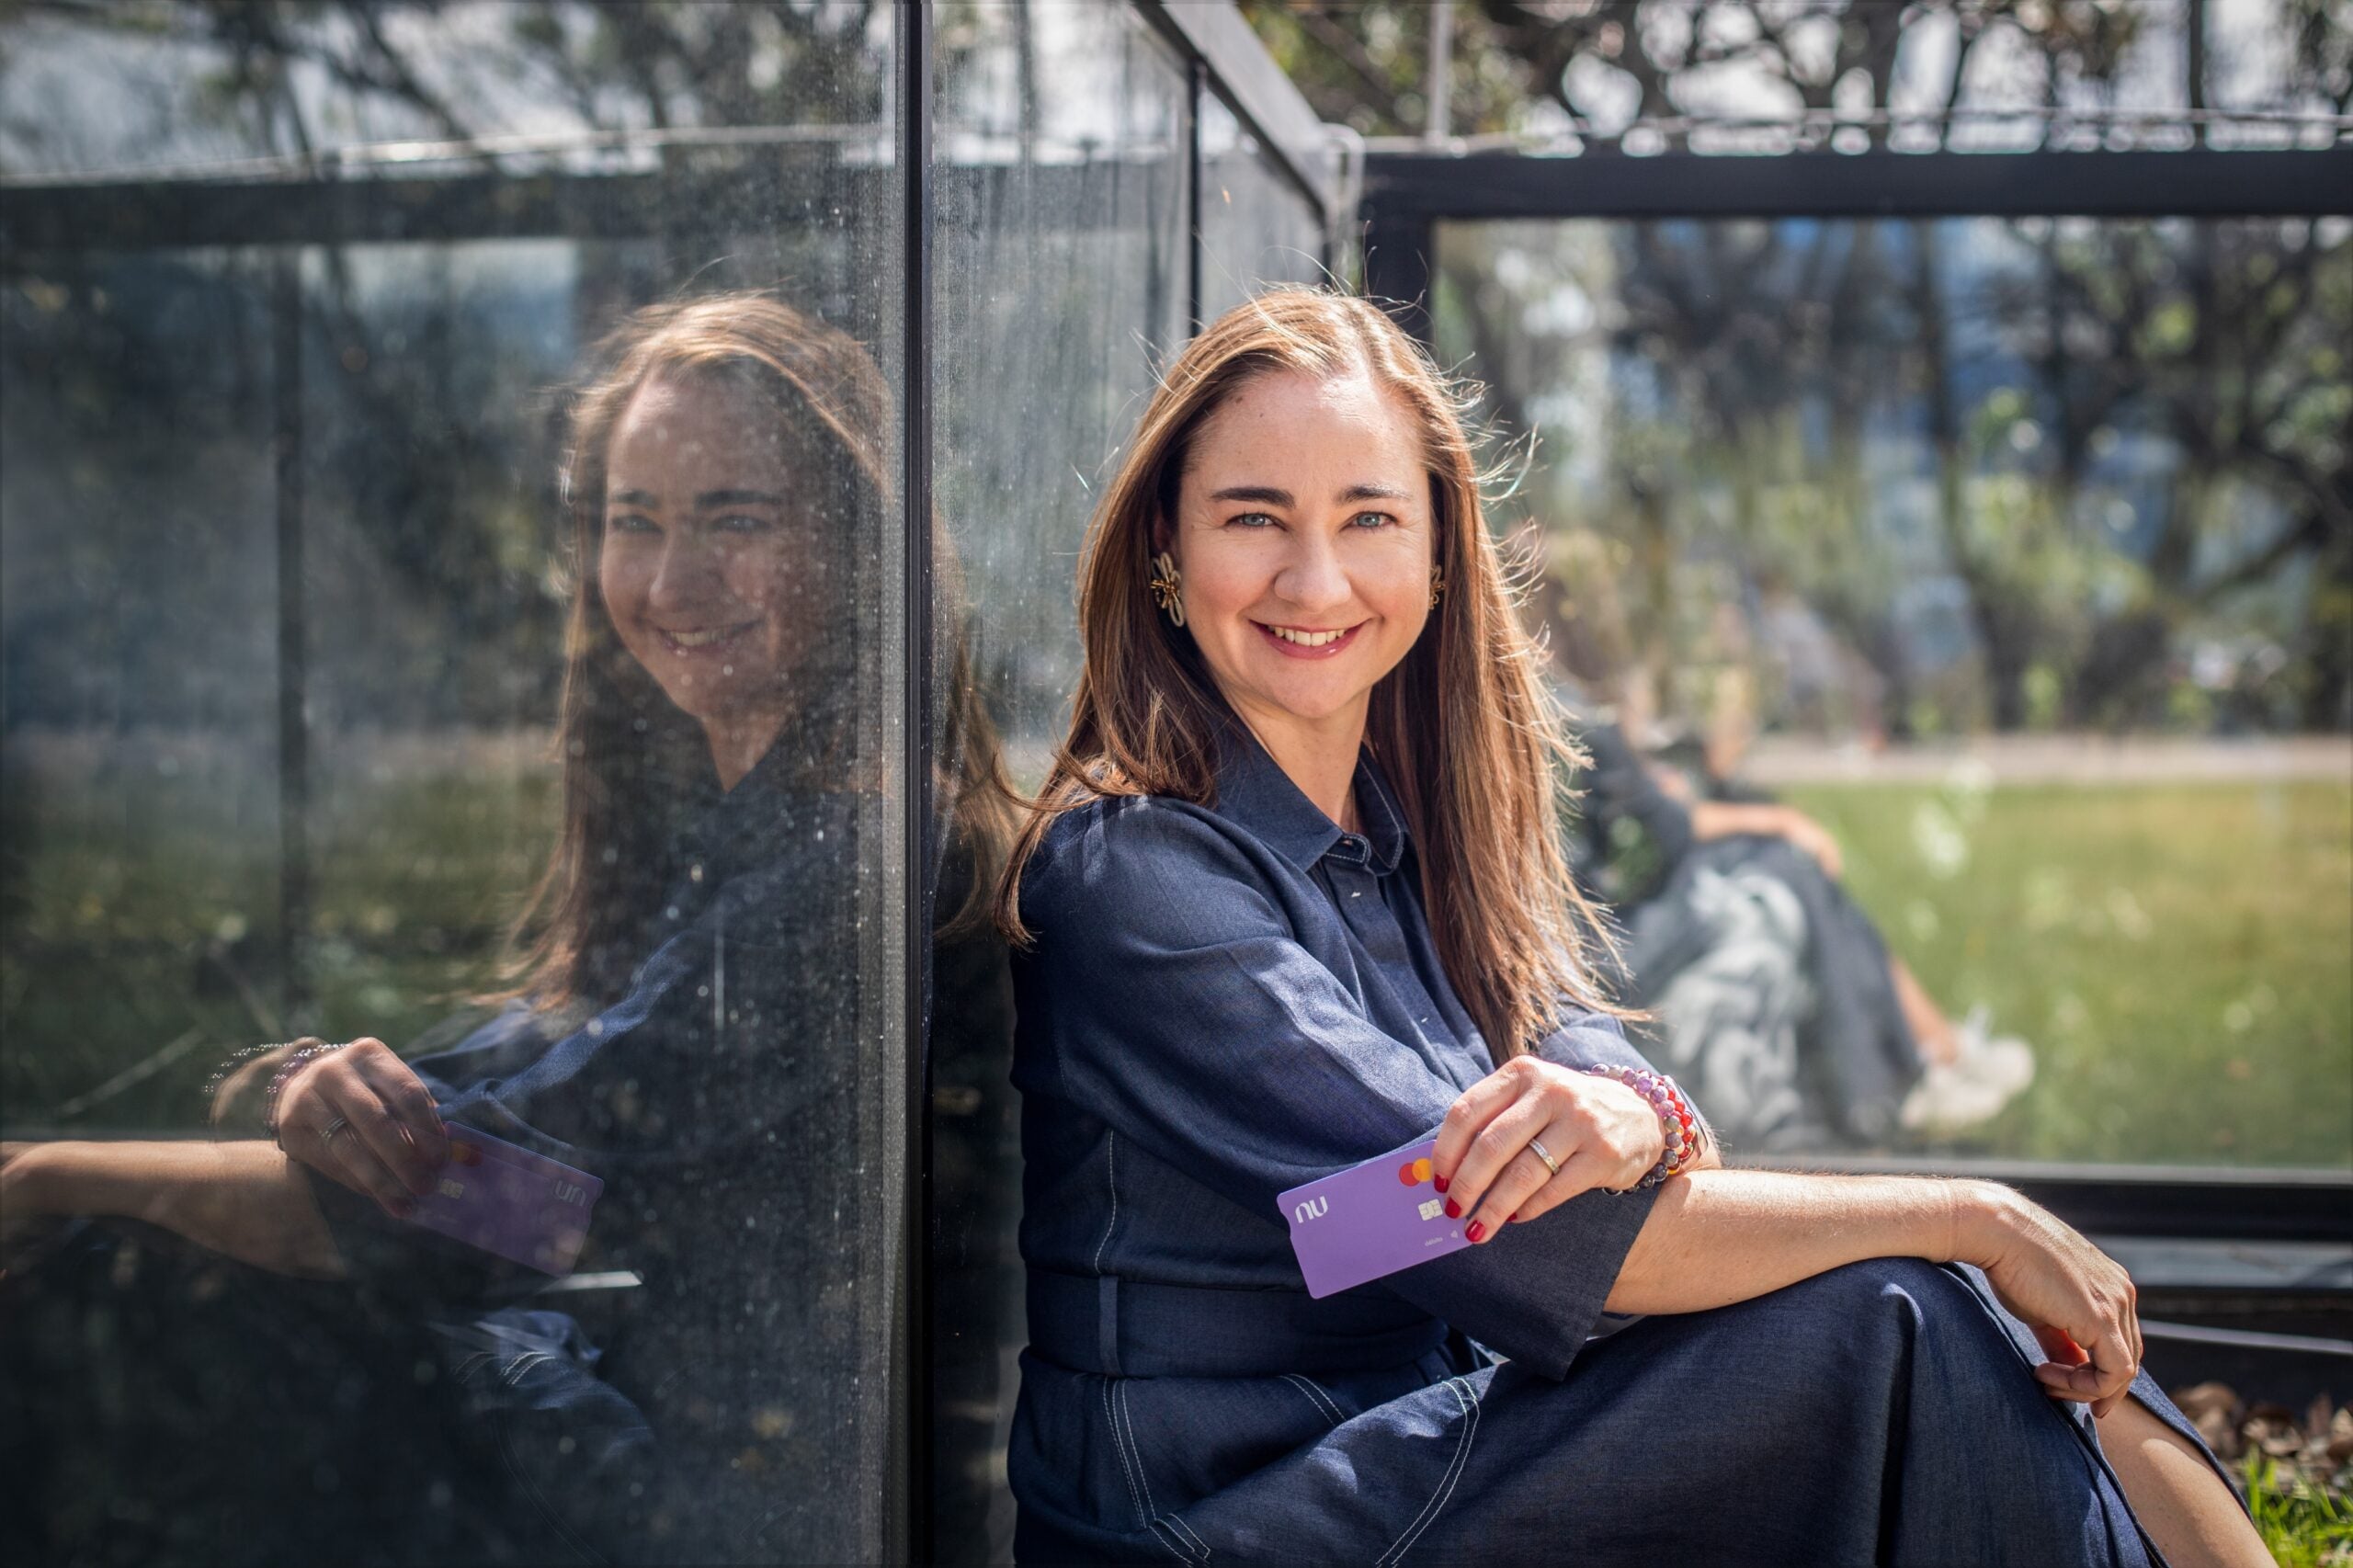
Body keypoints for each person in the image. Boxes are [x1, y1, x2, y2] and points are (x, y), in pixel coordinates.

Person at [992, 290, 2264, 1566]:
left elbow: (1523, 1149)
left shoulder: (1411, 848)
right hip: (1233, 1523)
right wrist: (1967, 1210)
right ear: (1166, 545)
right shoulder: (1136, 881)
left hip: (1422, 1444)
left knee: (1975, 1307)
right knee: (1902, 1306)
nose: (1313, 579)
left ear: (1438, 553)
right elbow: (1480, 1235)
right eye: (1253, 516)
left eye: (1368, 515)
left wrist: (1644, 1115)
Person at [2, 291, 1013, 1564]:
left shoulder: (858, 860)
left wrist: (48, 1177)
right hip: (657, 1432)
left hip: (763, 1510)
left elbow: (522, 1206)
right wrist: (315, 1084)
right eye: (631, 521)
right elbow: (523, 1093)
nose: (669, 579)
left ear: (851, 542)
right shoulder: (729, 833)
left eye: (733, 518)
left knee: (124, 1268)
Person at [1558, 702, 2036, 1148]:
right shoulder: (1565, 700)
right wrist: (1777, 819)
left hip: (1586, 934)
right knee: (1792, 865)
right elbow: (1664, 831)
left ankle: (1926, 1060)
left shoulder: (1556, 694)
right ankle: (1910, 1076)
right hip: (1597, 952)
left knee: (1791, 868)